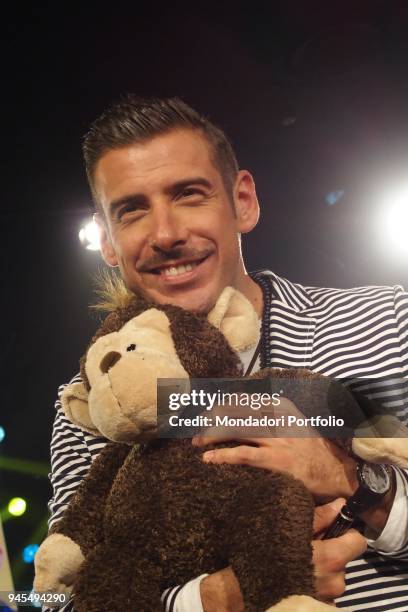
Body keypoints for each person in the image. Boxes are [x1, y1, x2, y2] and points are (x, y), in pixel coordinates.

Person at [45, 96, 408, 611]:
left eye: (189, 194)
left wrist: (359, 483)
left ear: (243, 201)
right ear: (107, 240)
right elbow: (53, 601)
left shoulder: (387, 322)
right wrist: (218, 598)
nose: (166, 233)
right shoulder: (94, 402)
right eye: (132, 210)